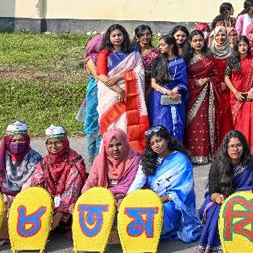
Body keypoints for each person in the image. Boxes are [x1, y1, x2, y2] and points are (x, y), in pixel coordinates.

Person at [128, 125, 201, 242]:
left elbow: (185, 189)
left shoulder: (181, 160)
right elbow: (139, 181)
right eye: (152, 143)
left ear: (167, 139)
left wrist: (161, 200)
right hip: (154, 200)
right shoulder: (148, 160)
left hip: (175, 204)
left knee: (154, 217)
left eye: (159, 141)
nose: (156, 145)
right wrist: (128, 199)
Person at [196, 131, 253, 253]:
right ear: (226, 148)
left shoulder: (251, 165)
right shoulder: (217, 165)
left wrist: (238, 197)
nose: (235, 149)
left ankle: (243, 243)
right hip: (220, 199)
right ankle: (220, 245)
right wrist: (218, 197)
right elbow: (212, 190)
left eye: (239, 145)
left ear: (244, 146)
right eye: (232, 146)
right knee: (217, 211)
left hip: (243, 199)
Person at [21, 125, 87, 233]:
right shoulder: (44, 162)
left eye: (58, 142)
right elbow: (36, 186)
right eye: (50, 143)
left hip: (69, 205)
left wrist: (58, 215)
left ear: (65, 142)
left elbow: (72, 191)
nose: (54, 146)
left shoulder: (75, 162)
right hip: (51, 203)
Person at [96, 24, 150, 152]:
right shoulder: (104, 53)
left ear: (124, 36)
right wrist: (119, 90)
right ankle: (110, 152)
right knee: (110, 123)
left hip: (130, 91)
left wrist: (120, 77)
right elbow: (102, 76)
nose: (117, 38)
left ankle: (129, 152)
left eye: (119, 35)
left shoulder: (132, 52)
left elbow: (139, 71)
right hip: (110, 92)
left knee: (126, 122)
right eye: (113, 35)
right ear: (109, 37)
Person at [183, 31, 221, 164]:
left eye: (200, 40)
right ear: (190, 43)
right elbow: (183, 78)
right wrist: (194, 83)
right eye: (195, 40)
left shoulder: (209, 57)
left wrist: (207, 80)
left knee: (205, 122)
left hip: (207, 93)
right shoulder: (186, 58)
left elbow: (216, 75)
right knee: (193, 124)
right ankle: (193, 155)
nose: (198, 43)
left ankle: (205, 154)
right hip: (192, 94)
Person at [224, 36, 253, 152]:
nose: (242, 47)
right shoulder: (231, 60)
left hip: (251, 95)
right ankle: (239, 149)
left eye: (244, 45)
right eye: (240, 45)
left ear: (248, 46)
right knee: (238, 123)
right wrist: (235, 92)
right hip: (237, 95)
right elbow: (226, 77)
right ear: (236, 46)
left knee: (252, 121)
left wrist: (252, 90)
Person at [148, 35, 188, 143]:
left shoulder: (180, 61)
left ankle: (176, 152)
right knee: (161, 123)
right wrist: (167, 92)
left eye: (163, 45)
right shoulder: (157, 61)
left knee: (177, 124)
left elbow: (183, 80)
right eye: (159, 44)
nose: (160, 47)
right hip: (159, 98)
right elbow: (153, 83)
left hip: (176, 96)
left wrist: (176, 88)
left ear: (171, 46)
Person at [83, 128, 141, 204]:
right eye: (111, 146)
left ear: (125, 143)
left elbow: (130, 184)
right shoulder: (100, 160)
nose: (115, 149)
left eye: (118, 144)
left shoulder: (135, 159)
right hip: (104, 199)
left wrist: (110, 195)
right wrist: (84, 195)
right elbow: (91, 181)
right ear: (105, 147)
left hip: (127, 197)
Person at [77, 34, 104, 161]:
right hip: (96, 91)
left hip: (102, 90)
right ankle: (94, 155)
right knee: (94, 122)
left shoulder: (105, 57)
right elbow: (98, 77)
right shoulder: (91, 60)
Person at [207, 26, 236, 141]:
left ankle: (228, 141)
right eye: (217, 35)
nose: (220, 37)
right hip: (214, 87)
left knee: (227, 115)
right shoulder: (209, 52)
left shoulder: (232, 52)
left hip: (229, 87)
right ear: (213, 36)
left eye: (223, 34)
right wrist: (217, 83)